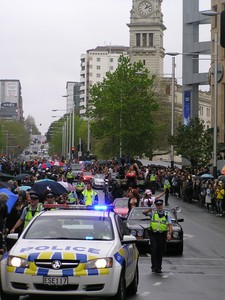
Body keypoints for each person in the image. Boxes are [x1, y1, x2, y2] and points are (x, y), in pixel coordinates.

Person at [143, 199, 172, 273]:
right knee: (154, 250)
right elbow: (144, 213)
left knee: (160, 251)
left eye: (160, 205)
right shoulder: (153, 214)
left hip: (162, 235)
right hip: (154, 235)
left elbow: (170, 225)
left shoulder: (166, 214)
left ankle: (159, 267)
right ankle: (154, 267)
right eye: (157, 205)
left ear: (162, 205)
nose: (159, 207)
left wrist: (169, 234)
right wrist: (149, 210)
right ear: (156, 206)